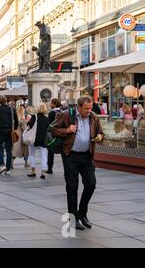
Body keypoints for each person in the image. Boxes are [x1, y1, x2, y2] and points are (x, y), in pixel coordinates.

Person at [51, 96, 104, 230]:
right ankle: (73, 218)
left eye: (90, 108)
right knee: (72, 187)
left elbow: (101, 133)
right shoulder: (66, 115)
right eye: (86, 109)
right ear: (79, 107)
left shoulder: (93, 117)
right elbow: (52, 129)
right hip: (71, 156)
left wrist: (99, 137)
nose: (88, 111)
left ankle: (82, 213)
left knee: (91, 184)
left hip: (87, 156)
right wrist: (67, 130)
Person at [0, 95, 18, 176]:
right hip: (10, 131)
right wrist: (15, 129)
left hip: (1, 131)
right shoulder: (12, 109)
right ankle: (8, 169)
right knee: (9, 150)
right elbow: (16, 121)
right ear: (6, 101)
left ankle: (2, 165)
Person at [26, 103, 50, 179]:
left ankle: (33, 171)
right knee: (43, 156)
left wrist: (28, 122)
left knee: (32, 154)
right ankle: (43, 172)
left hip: (33, 138)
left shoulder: (34, 117)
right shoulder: (47, 119)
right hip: (43, 139)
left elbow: (29, 125)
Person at [46, 98, 62, 174]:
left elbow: (48, 125)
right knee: (62, 151)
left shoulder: (51, 113)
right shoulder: (62, 112)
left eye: (51, 103)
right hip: (61, 134)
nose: (50, 104)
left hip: (52, 135)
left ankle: (50, 168)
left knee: (50, 151)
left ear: (54, 104)